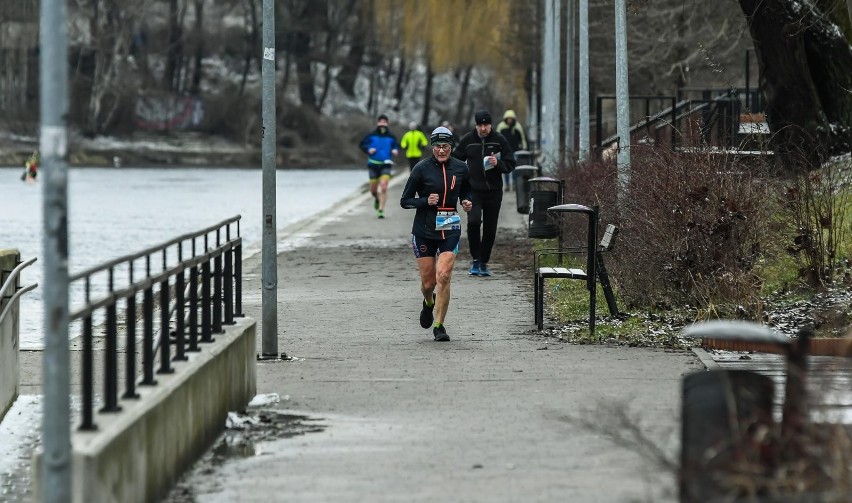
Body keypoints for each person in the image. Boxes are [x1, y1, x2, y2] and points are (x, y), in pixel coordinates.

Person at [400, 126, 473, 342]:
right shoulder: (420, 169)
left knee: (444, 275)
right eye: (438, 147)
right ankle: (428, 302)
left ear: (452, 147)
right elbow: (405, 200)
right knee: (428, 283)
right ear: (432, 147)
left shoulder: (461, 168)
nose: (442, 151)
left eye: (446, 147)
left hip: (450, 226)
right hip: (424, 230)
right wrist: (424, 201)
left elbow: (466, 190)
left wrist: (466, 201)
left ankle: (439, 325)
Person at [451, 110, 516, 277]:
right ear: (476, 125)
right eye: (480, 125)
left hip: (494, 192)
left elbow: (511, 163)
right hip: (473, 190)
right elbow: (455, 159)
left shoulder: (499, 140)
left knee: (490, 228)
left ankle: (484, 261)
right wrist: (461, 177)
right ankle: (475, 259)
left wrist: (498, 163)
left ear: (491, 125)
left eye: (486, 125)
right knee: (473, 222)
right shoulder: (468, 140)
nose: (483, 128)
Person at [359, 114, 400, 218]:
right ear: (378, 123)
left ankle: (381, 210)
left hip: (386, 164)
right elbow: (362, 144)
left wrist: (395, 150)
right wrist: (368, 149)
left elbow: (396, 145)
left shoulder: (391, 136)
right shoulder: (371, 134)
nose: (382, 124)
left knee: (384, 187)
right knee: (373, 190)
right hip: (373, 164)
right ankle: (377, 198)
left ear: (387, 123)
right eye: (380, 122)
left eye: (384, 122)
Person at [495, 110, 528, 191]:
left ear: (513, 119)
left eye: (511, 119)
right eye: (508, 119)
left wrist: (524, 146)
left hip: (515, 151)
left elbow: (522, 138)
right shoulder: (501, 127)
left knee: (514, 168)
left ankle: (513, 184)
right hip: (504, 151)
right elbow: (496, 138)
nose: (509, 120)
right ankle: (506, 185)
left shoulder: (517, 127)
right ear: (505, 119)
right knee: (505, 168)